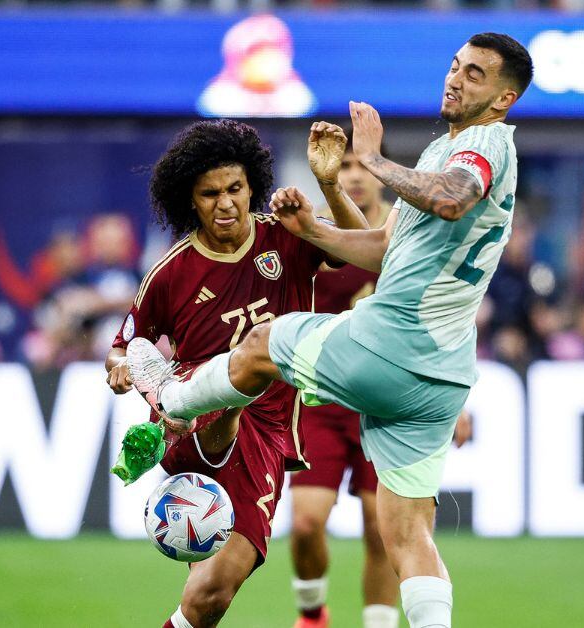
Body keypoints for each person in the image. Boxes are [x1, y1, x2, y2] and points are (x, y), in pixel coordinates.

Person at [127, 33, 533, 628]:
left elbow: (452, 199)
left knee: (262, 343)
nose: (455, 78)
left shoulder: (484, 143)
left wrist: (371, 158)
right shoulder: (444, 152)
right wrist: (313, 230)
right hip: (442, 376)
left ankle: (175, 400)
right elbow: (384, 249)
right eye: (455, 66)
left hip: (393, 345)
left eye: (475, 74)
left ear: (503, 99)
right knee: (408, 533)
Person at [105, 119, 365, 628]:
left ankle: (204, 401)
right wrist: (122, 370)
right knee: (256, 356)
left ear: (252, 188)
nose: (225, 203)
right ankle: (185, 402)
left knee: (208, 597)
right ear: (190, 200)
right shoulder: (171, 273)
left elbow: (360, 245)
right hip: (191, 423)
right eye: (210, 194)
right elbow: (121, 349)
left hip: (264, 433)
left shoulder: (285, 236)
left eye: (235, 189)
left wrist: (329, 184)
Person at [287, 136, 400, 628]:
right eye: (345, 164)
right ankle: (313, 613)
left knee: (382, 529)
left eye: (362, 165)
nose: (353, 174)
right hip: (321, 399)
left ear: (381, 171)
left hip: (386, 404)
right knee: (305, 523)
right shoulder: (315, 231)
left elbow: (440, 314)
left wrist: (456, 400)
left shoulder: (407, 229)